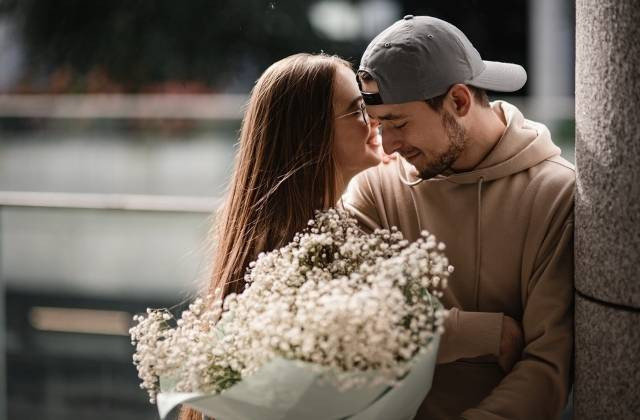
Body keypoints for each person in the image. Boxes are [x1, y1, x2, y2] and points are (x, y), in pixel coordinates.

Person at [344, 15, 574, 419]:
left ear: (459, 102)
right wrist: (483, 332)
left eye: (398, 123)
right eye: (378, 124)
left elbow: (547, 366)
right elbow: (343, 324)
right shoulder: (374, 190)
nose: (387, 144)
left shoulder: (555, 195)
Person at [178, 52, 384, 420]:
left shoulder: (339, 230)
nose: (375, 121)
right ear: (311, 134)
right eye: (357, 111)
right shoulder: (287, 268)